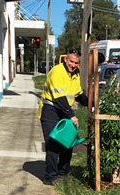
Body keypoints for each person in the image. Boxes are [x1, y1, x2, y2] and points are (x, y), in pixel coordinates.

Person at [38, 50, 88, 185]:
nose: (73, 65)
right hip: (51, 110)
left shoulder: (75, 74)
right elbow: (59, 97)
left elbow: (78, 94)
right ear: (65, 60)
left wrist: (91, 104)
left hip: (64, 110)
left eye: (76, 63)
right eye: (71, 61)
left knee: (67, 142)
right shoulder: (57, 72)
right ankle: (51, 177)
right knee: (53, 144)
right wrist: (71, 115)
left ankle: (63, 172)